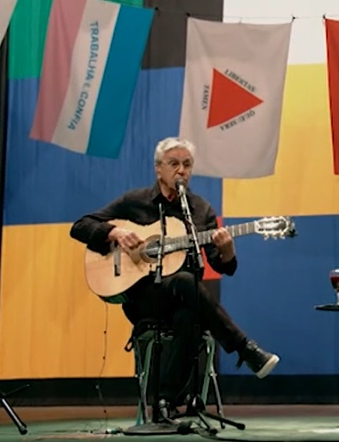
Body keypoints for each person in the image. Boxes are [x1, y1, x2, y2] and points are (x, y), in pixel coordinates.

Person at [70, 137, 279, 420]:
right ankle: (245, 348)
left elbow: (222, 265)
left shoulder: (200, 210)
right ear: (159, 169)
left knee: (188, 316)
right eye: (174, 164)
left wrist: (227, 250)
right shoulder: (135, 202)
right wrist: (114, 233)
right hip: (143, 297)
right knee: (184, 283)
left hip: (185, 297)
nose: (181, 170)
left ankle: (164, 403)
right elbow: (80, 226)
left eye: (187, 165)